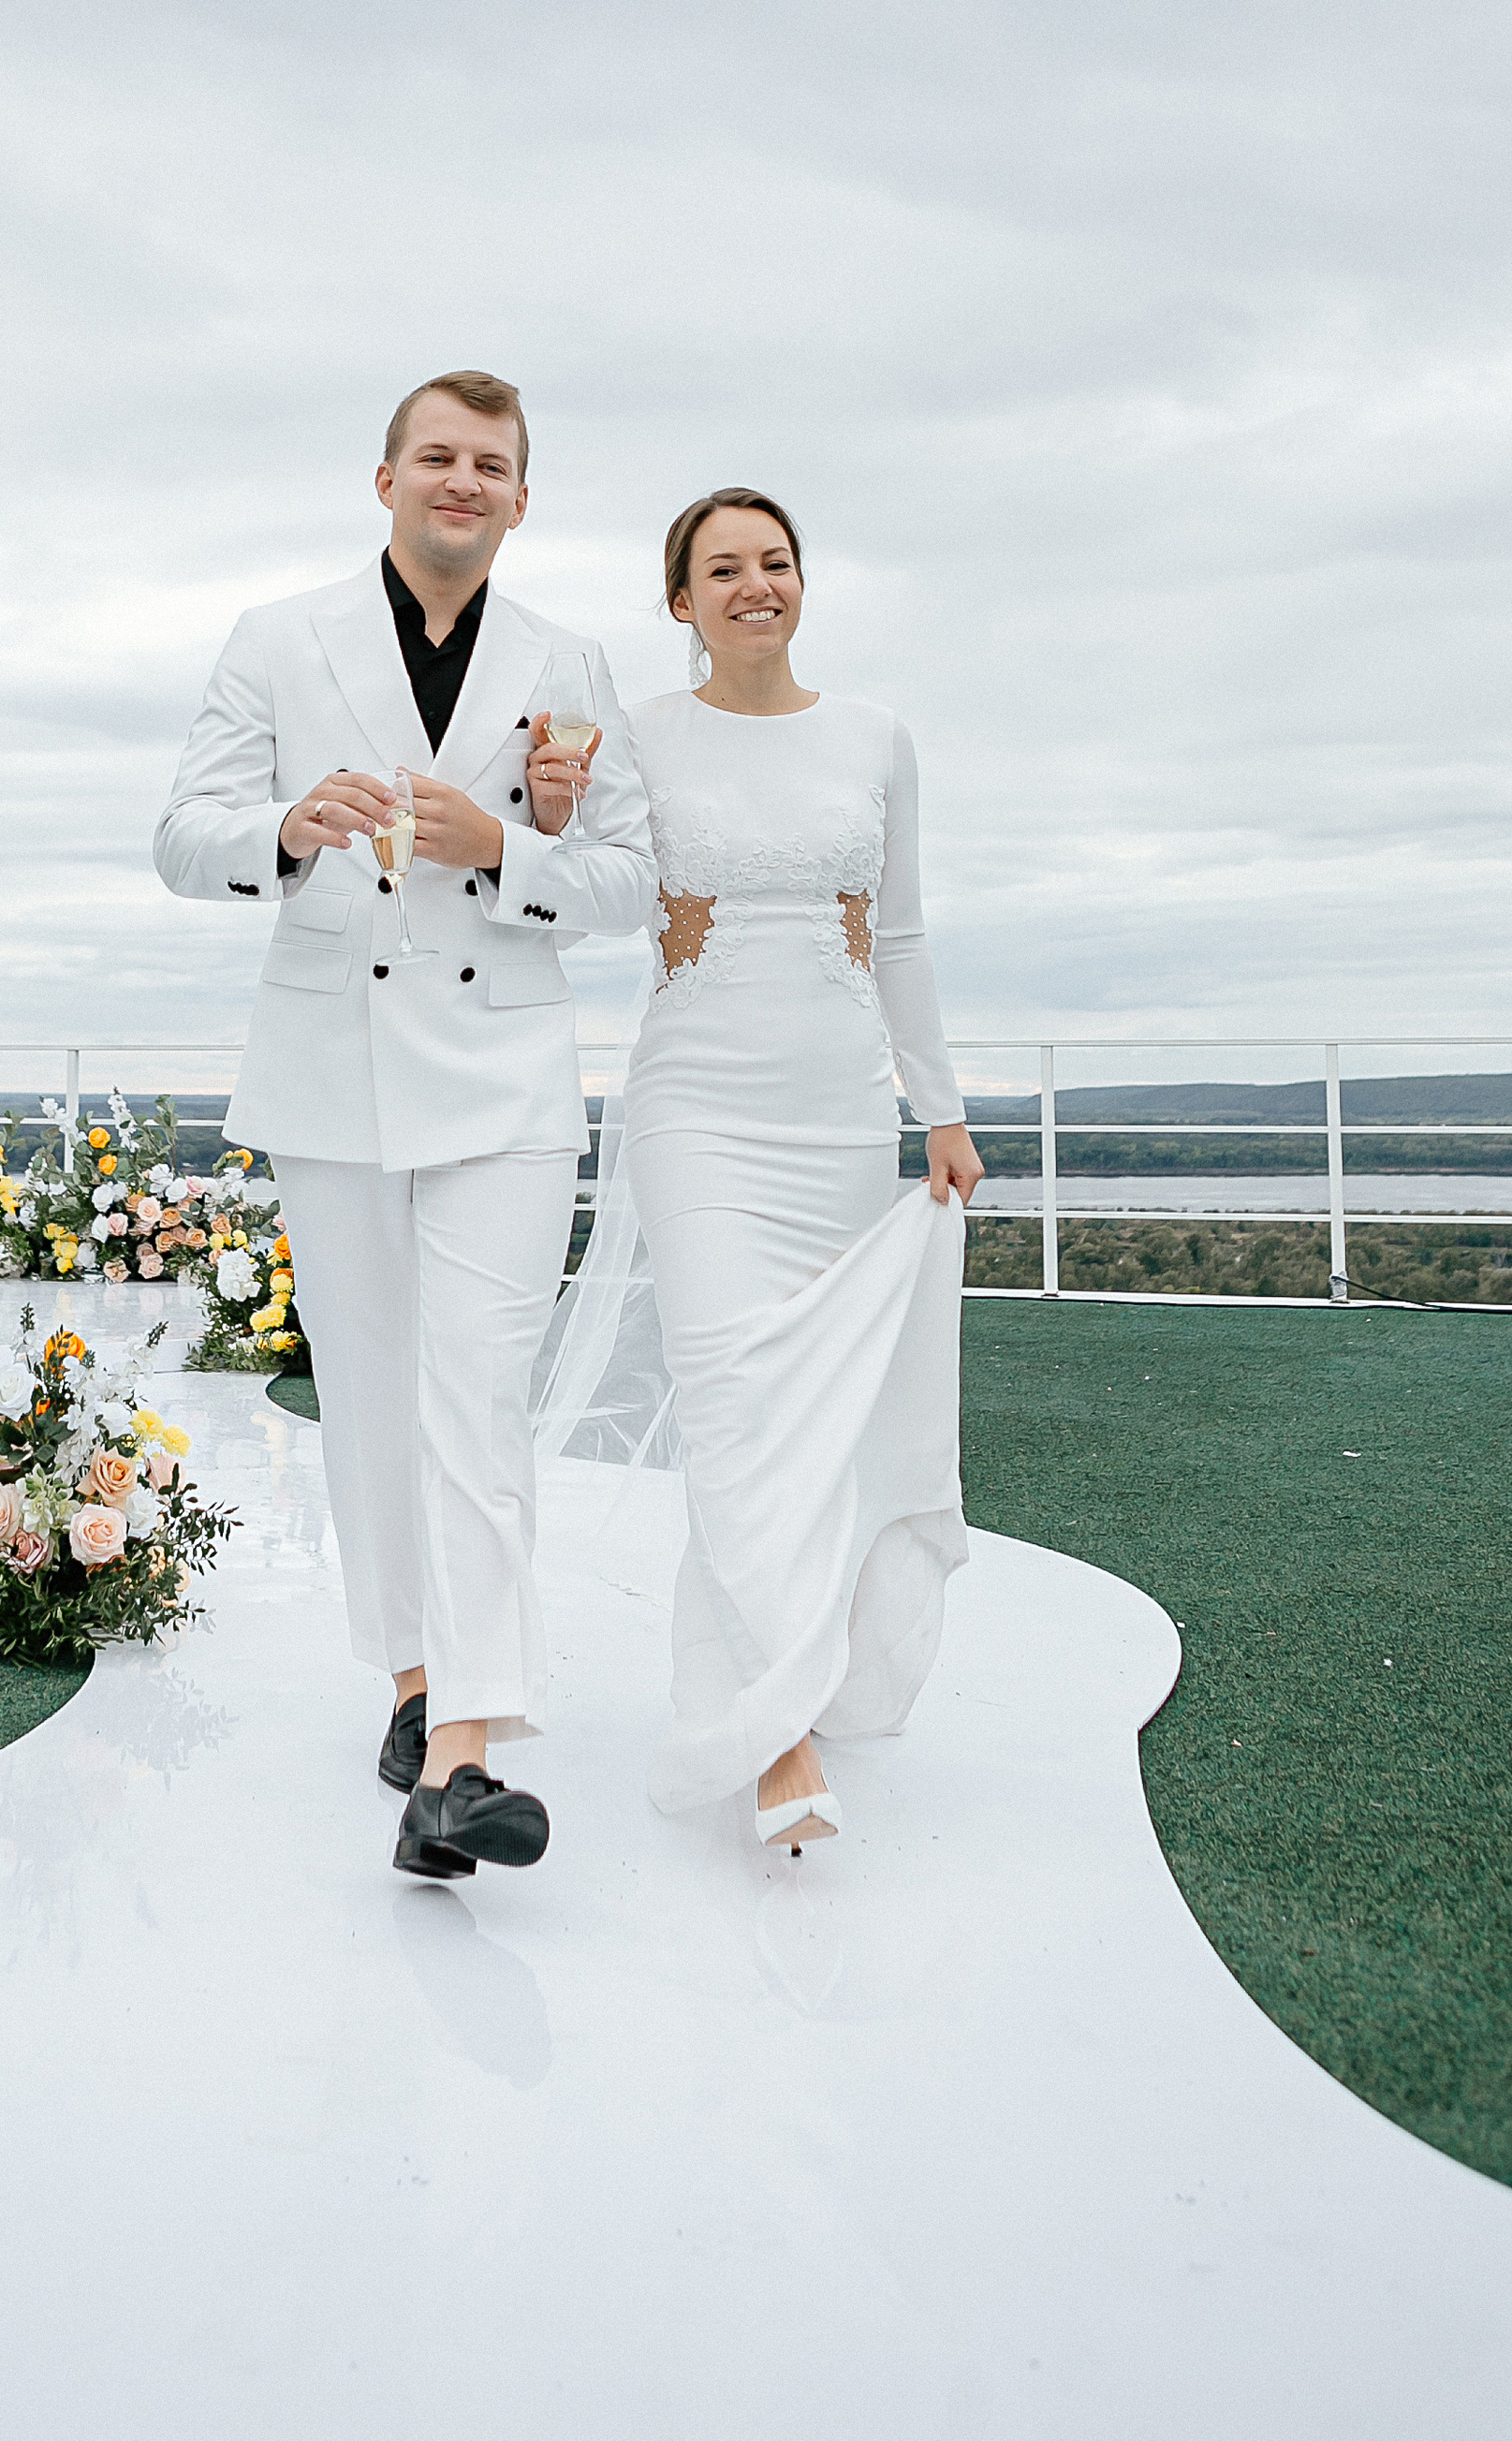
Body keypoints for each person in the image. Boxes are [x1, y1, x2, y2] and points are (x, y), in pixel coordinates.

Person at [153, 370, 655, 1880]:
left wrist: (509, 843)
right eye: (438, 456)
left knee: (479, 1398)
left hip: (505, 1070)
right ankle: (416, 1684)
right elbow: (181, 837)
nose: (463, 481)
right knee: (372, 1397)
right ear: (386, 481)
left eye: (490, 464)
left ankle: (463, 1759)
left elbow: (632, 880)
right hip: (333, 1068)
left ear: (521, 497)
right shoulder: (277, 636)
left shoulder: (569, 659)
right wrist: (285, 830)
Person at [554, 485, 983, 1851]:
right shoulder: (638, 735)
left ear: (802, 582)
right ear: (681, 601)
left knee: (812, 1415)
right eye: (724, 568)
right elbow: (591, 890)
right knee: (735, 1404)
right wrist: (553, 815)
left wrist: (941, 1109)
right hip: (696, 1109)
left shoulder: (875, 736)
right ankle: (775, 1734)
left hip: (841, 1114)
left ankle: (779, 1674)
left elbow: (900, 936)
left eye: (776, 562)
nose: (756, 585)